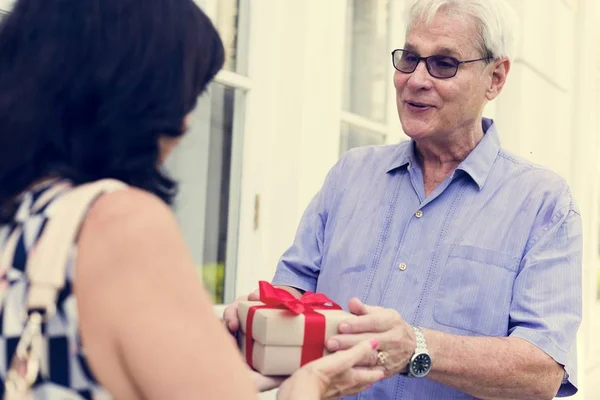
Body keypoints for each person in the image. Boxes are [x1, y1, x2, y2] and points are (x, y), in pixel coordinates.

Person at [0, 0, 386, 399]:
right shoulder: (119, 222)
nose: (185, 124)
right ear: (138, 93)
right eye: (187, 96)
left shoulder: (22, 209)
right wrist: (307, 388)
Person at [224, 0, 583, 399]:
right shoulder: (349, 175)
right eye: (409, 58)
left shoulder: (543, 203)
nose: (416, 79)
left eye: (444, 64)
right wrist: (256, 318)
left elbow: (542, 372)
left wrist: (417, 346)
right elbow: (293, 291)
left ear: (495, 78)